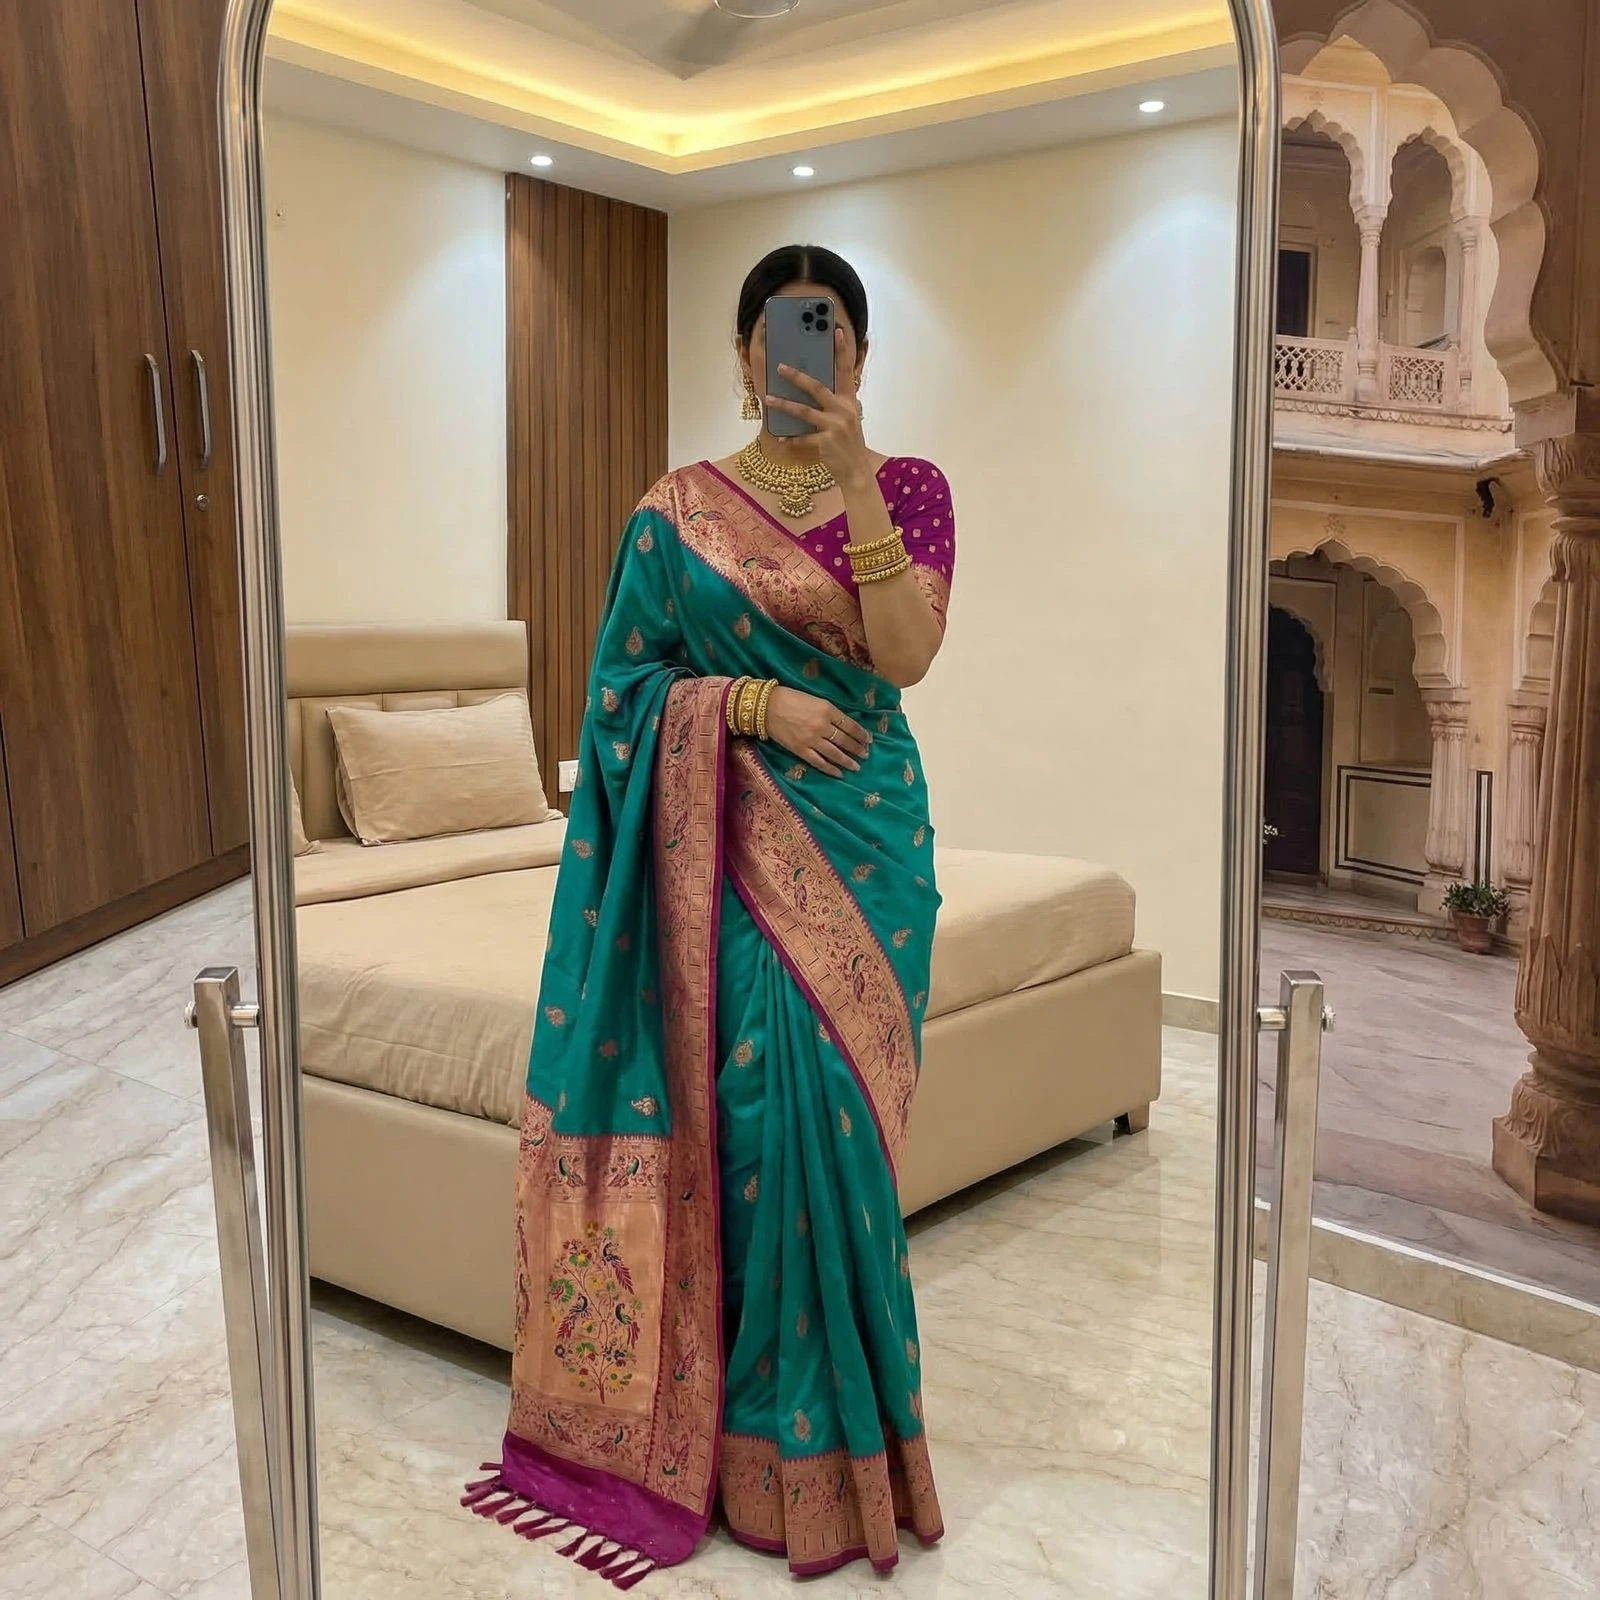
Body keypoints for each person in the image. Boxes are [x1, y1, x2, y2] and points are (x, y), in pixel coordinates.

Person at [467, 244, 954, 1585]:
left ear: (862, 354)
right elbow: (622, 693)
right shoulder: (676, 513)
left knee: (844, 1135)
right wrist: (752, 704)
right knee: (749, 1115)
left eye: (833, 331)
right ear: (744, 354)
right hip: (729, 844)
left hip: (871, 854)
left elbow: (909, 656)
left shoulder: (911, 488)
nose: (807, 353)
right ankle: (741, 1444)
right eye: (784, 332)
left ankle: (845, 1449)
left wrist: (854, 479)